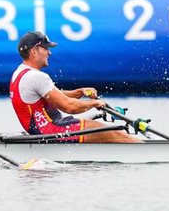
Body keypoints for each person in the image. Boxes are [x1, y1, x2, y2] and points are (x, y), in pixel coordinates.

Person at [10, 31, 140, 143]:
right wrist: (95, 103)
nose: (49, 52)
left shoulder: (19, 73)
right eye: (46, 48)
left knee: (106, 131)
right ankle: (147, 150)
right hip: (53, 130)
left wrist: (80, 92)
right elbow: (69, 107)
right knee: (116, 134)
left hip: (45, 129)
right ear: (34, 51)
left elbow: (53, 95)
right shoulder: (36, 77)